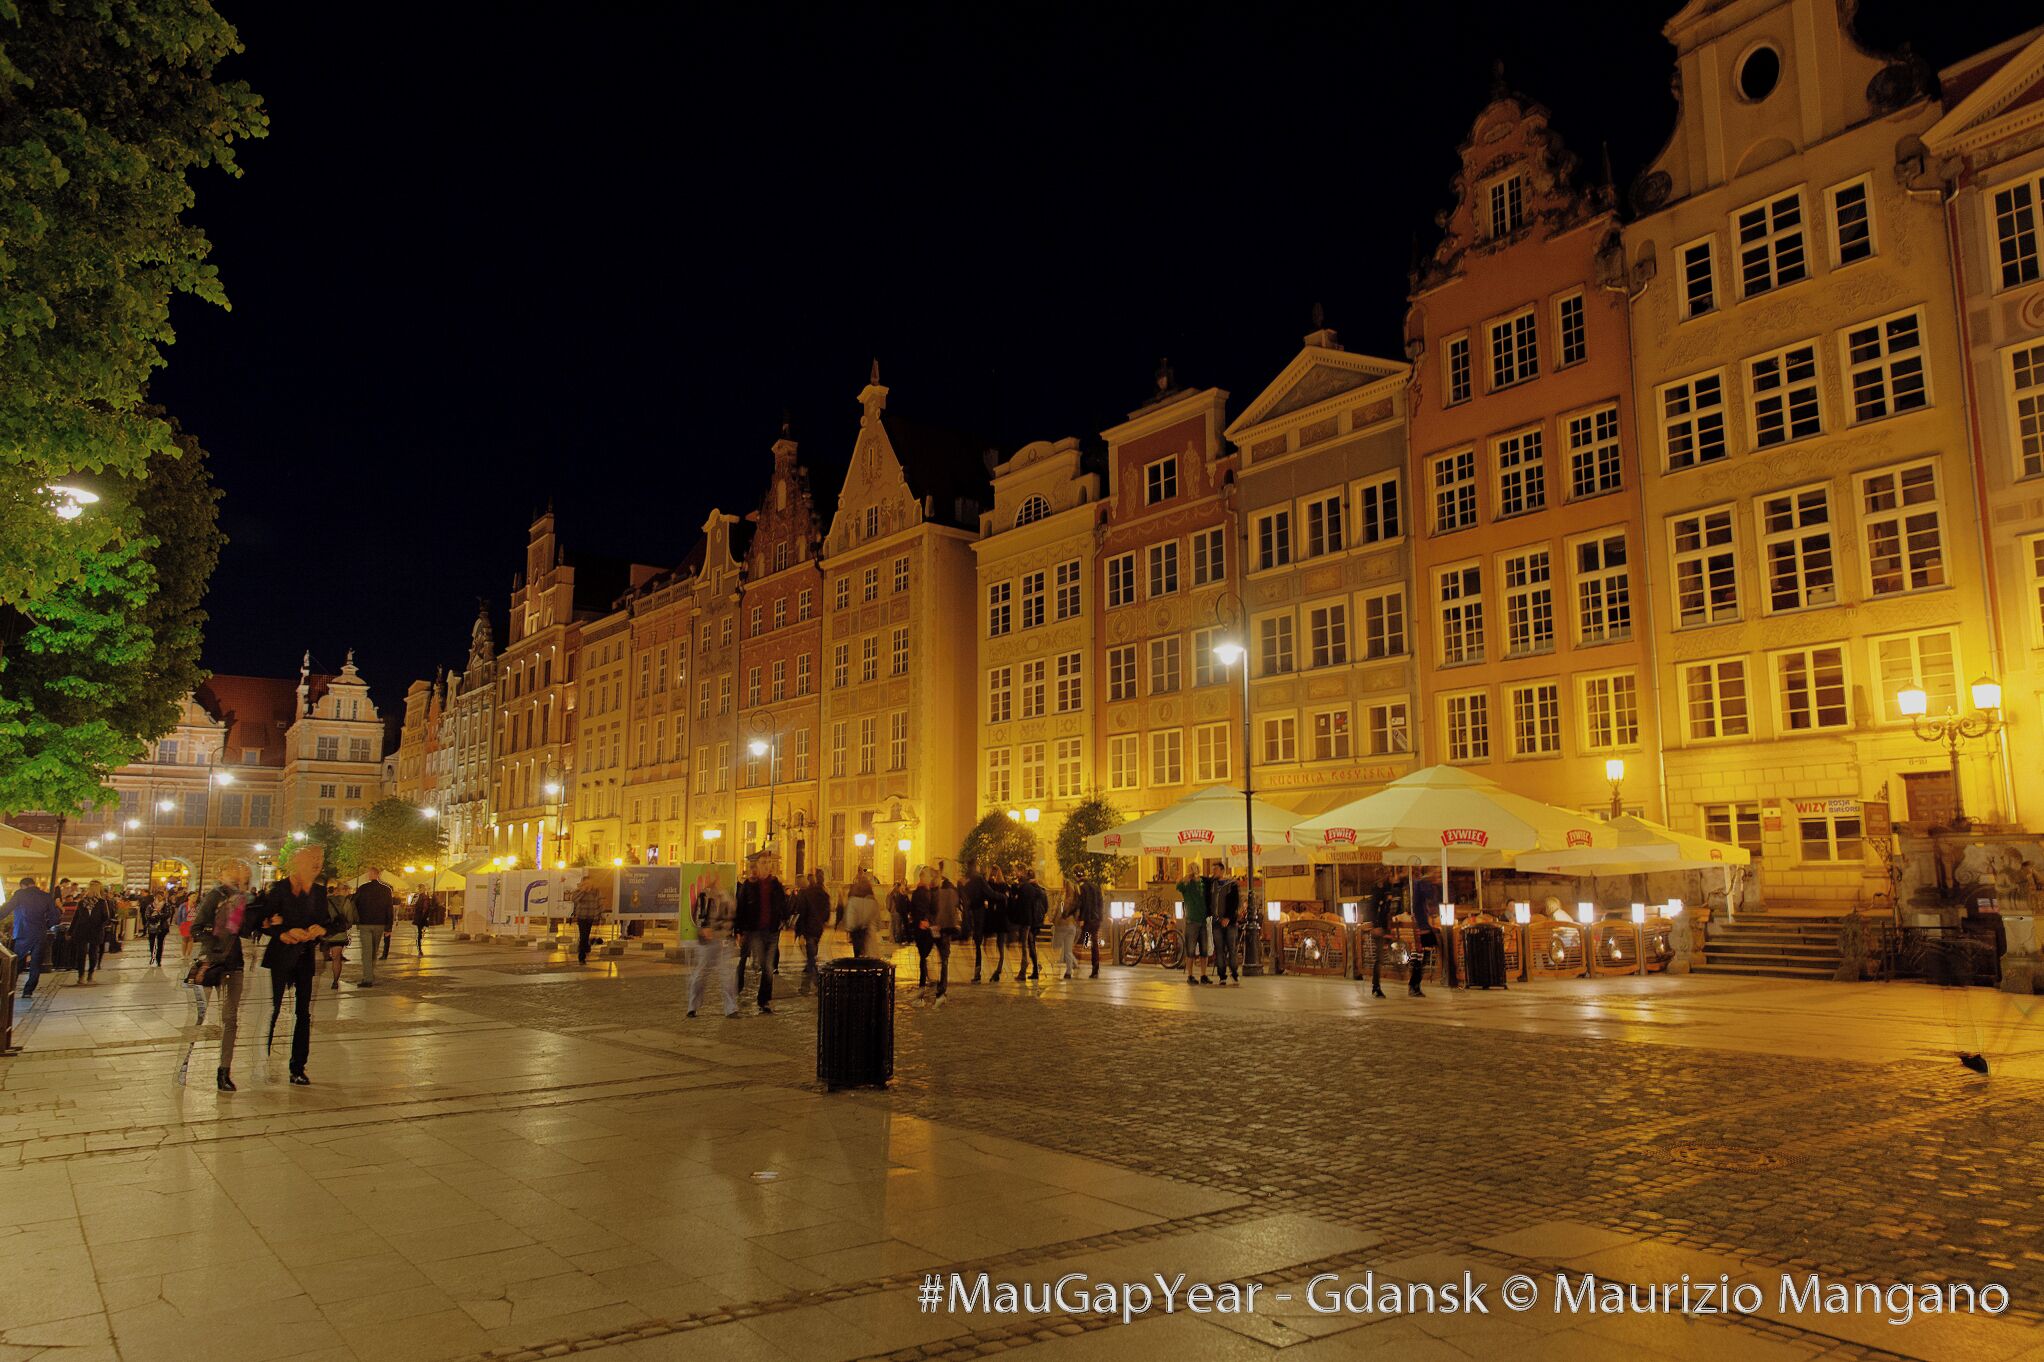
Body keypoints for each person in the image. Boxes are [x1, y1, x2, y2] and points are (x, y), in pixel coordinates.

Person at [254, 847, 334, 1084]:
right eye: (312, 859)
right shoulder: (278, 889)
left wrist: (321, 930)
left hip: (305, 957)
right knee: (272, 1010)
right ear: (297, 863)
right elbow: (261, 921)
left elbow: (326, 920)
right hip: (280, 956)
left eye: (320, 860)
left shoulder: (319, 892)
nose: (317, 863)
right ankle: (261, 1060)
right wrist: (283, 932)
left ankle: (298, 1067)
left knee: (303, 1013)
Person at [190, 864, 251, 1091]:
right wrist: (216, 941)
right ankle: (185, 1062)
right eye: (231, 873)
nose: (236, 876)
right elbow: (196, 928)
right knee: (199, 1017)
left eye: (239, 873)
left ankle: (224, 1070)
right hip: (214, 963)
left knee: (230, 1019)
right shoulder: (214, 897)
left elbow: (245, 930)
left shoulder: (244, 899)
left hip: (235, 964)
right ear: (220, 875)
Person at [732, 859, 786, 1015]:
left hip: (772, 930)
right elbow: (741, 907)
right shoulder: (749, 885)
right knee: (762, 964)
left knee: (768, 967)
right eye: (763, 863)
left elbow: (783, 903)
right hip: (755, 930)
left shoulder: (776, 884)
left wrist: (783, 918)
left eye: (769, 863)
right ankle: (738, 988)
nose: (767, 866)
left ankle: (764, 1001)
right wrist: (739, 930)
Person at [686, 883, 739, 1019]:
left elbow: (735, 915)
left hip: (725, 939)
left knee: (727, 975)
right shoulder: (704, 894)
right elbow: (698, 914)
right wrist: (703, 928)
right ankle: (692, 1006)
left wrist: (737, 931)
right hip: (707, 941)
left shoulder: (729, 895)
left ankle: (731, 1008)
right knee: (700, 974)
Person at [4, 876, 60, 999]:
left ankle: (9, 988)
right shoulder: (46, 896)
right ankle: (28, 991)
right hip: (40, 933)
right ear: (33, 884)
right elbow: (55, 917)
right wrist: (46, 926)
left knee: (17, 962)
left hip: (23, 933)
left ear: (23, 885)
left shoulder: (20, 894)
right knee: (36, 963)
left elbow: (7, 909)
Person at [352, 867, 394, 985]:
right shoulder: (386, 890)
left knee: (367, 951)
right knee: (374, 950)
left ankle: (368, 978)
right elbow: (389, 909)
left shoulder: (362, 888)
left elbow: (354, 903)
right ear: (378, 875)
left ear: (370, 875)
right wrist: (389, 927)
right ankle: (369, 974)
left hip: (365, 923)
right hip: (379, 924)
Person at [793, 870, 831, 994]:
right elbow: (827, 911)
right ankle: (815, 984)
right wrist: (823, 921)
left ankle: (810, 986)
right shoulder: (823, 893)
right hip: (818, 928)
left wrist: (800, 931)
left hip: (809, 928)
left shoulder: (806, 893)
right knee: (811, 956)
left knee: (810, 958)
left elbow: (802, 912)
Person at [71, 882, 112, 984]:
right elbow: (76, 918)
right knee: (81, 954)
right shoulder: (82, 902)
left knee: (93, 953)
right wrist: (70, 931)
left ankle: (90, 975)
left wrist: (100, 926)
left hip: (95, 930)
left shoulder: (102, 902)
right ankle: (81, 976)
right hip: (82, 930)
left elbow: (106, 917)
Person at [1177, 869, 1210, 986]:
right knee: (1190, 951)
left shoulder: (1202, 883)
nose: (1194, 871)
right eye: (1192, 868)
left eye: (1196, 868)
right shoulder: (1187, 885)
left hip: (1203, 921)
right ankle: (1190, 975)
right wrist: (1186, 876)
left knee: (1204, 950)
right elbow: (1178, 885)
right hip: (1191, 922)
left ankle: (1203, 975)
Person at [1210, 871, 1242, 986]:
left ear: (1222, 871)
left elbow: (1235, 902)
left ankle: (1234, 974)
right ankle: (1222, 976)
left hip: (1231, 923)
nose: (1213, 872)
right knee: (1219, 950)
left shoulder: (1232, 885)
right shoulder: (1212, 885)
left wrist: (1228, 917)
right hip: (1216, 922)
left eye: (1215, 869)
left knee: (1232, 949)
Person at [1016, 868, 1047, 982]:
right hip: (1039, 921)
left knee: (1030, 944)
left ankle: (1035, 968)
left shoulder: (1028, 890)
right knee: (1032, 944)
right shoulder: (1042, 891)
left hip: (1031, 921)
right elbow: (1046, 907)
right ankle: (1036, 967)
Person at [1367, 879, 1396, 999]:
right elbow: (1374, 909)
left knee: (1381, 958)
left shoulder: (1389, 888)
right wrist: (1376, 925)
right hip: (1380, 928)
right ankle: (1376, 987)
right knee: (1379, 958)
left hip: (1385, 928)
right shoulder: (1380, 892)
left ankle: (1376, 986)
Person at [842, 871, 879, 958]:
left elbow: (850, 919)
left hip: (856, 933)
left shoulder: (853, 901)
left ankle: (859, 968)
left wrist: (849, 929)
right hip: (868, 932)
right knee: (870, 957)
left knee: (858, 955)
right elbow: (877, 920)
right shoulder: (873, 902)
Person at [572, 879, 605, 964]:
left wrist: (602, 915)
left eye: (589, 883)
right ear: (582, 883)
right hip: (581, 917)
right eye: (585, 883)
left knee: (586, 936)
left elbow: (600, 903)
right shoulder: (578, 891)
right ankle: (582, 957)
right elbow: (575, 900)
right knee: (583, 936)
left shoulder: (596, 892)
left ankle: (585, 948)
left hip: (591, 917)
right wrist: (583, 891)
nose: (587, 885)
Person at [1053, 881, 1080, 981]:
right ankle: (1069, 971)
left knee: (1056, 947)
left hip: (1063, 927)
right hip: (1072, 927)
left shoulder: (1064, 901)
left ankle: (1069, 968)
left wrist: (1055, 921)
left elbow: (1060, 913)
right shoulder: (1075, 902)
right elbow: (1077, 915)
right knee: (1068, 951)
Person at [140, 891, 175, 966]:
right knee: (152, 943)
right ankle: (152, 957)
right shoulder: (151, 905)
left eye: (161, 896)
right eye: (158, 896)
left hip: (162, 927)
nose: (159, 897)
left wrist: (158, 915)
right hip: (152, 926)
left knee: (160, 943)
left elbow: (168, 915)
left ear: (163, 897)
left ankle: (158, 960)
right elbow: (147, 915)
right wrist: (153, 918)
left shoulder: (166, 905)